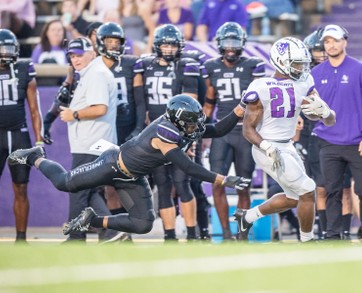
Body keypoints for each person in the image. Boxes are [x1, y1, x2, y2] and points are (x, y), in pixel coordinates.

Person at [8, 95, 251, 238]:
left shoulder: (183, 126)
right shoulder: (164, 133)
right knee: (64, 183)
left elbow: (218, 129)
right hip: (112, 165)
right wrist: (223, 179)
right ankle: (34, 157)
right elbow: (187, 167)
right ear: (177, 120)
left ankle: (92, 220)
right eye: (191, 123)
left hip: (133, 176)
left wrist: (241, 107)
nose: (195, 127)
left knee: (142, 224)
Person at [235, 36, 336, 242]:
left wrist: (325, 112)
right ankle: (307, 241)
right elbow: (247, 129)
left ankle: (247, 217)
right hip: (266, 147)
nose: (301, 68)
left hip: (287, 146)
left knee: (293, 198)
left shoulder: (305, 81)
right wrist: (266, 146)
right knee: (308, 189)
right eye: (297, 64)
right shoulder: (261, 86)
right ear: (281, 62)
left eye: (303, 63)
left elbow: (328, 121)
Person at [311, 24, 362, 241]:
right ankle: (332, 236)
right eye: (327, 41)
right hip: (328, 141)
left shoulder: (361, 70)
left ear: (345, 42)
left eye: (335, 40)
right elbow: (307, 107)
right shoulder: (315, 73)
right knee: (332, 191)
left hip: (357, 141)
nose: (331, 45)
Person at [202, 22, 265, 240]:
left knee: (243, 187)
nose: (230, 47)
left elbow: (261, 103)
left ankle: (242, 234)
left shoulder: (253, 65)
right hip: (221, 132)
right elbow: (209, 104)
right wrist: (200, 132)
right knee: (217, 184)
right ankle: (227, 233)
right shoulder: (211, 66)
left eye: (234, 42)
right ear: (219, 44)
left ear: (242, 44)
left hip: (245, 133)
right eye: (227, 42)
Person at [142, 24, 202, 241]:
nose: (169, 49)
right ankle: (169, 235)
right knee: (163, 184)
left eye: (173, 45)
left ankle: (192, 233)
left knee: (182, 182)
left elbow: (191, 104)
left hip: (179, 132)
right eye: (165, 45)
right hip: (155, 133)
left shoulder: (186, 65)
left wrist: (191, 138)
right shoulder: (145, 65)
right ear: (157, 46)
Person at [56, 37, 119, 242]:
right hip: (93, 142)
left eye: (79, 54)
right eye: (72, 56)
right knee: (89, 192)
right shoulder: (93, 72)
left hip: (91, 143)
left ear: (92, 53)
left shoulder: (96, 74)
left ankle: (75, 237)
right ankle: (112, 231)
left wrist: (73, 114)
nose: (76, 59)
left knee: (77, 189)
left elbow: (100, 108)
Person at [96, 22, 146, 242]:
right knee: (109, 184)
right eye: (109, 42)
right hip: (105, 129)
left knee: (128, 183)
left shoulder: (131, 64)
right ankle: (117, 231)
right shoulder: (93, 66)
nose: (114, 46)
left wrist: (136, 129)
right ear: (101, 43)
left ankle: (127, 228)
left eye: (117, 42)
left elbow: (140, 102)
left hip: (126, 129)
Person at [302, 28, 354, 240]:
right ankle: (327, 233)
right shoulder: (305, 77)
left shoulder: (345, 70)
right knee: (321, 187)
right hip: (315, 136)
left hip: (342, 134)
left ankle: (346, 232)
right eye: (318, 49)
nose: (323, 53)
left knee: (344, 188)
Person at [0, 29, 43, 243]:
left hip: (19, 135)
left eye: (9, 49)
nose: (6, 53)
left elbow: (35, 109)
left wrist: (39, 140)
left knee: (21, 187)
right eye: (2, 49)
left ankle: (21, 237)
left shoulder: (24, 68)